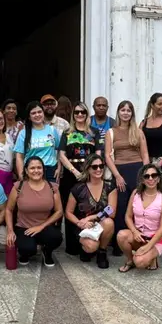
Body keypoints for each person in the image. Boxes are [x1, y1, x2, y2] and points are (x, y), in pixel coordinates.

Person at [58, 102, 101, 254]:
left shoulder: (94, 132)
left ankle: (89, 242)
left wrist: (93, 170)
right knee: (71, 209)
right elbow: (61, 154)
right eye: (77, 112)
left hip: (90, 173)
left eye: (83, 112)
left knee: (88, 208)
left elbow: (98, 154)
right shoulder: (67, 132)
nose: (80, 115)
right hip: (71, 174)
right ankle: (73, 245)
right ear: (73, 115)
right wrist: (74, 171)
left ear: (87, 114)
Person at [105, 100, 149, 247]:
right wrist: (117, 175)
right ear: (118, 112)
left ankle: (139, 239)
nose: (125, 113)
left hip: (137, 171)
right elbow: (107, 156)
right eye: (123, 110)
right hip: (120, 172)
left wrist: (146, 174)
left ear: (132, 114)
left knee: (138, 206)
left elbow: (145, 155)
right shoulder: (111, 132)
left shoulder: (138, 131)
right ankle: (118, 242)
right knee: (120, 206)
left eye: (128, 110)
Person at [5, 156, 64, 267]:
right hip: (24, 228)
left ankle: (47, 252)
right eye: (32, 168)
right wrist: (10, 231)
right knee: (27, 248)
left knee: (56, 237)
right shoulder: (19, 186)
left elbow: (59, 211)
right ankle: (25, 253)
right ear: (26, 171)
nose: (36, 171)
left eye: (39, 168)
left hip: (44, 227)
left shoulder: (53, 187)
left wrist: (41, 226)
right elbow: (9, 209)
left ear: (43, 169)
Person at [65, 155, 118, 268]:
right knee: (91, 246)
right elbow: (68, 212)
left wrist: (91, 218)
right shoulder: (78, 188)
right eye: (94, 167)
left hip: (99, 223)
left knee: (109, 222)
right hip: (83, 225)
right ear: (88, 169)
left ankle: (102, 252)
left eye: (101, 166)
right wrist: (80, 223)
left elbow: (111, 210)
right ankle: (88, 248)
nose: (98, 169)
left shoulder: (110, 187)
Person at [117, 164, 162, 272]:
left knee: (140, 262)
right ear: (142, 180)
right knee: (121, 235)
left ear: (159, 178)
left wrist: (148, 246)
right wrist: (134, 232)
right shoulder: (135, 194)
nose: (151, 178)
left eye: (154, 175)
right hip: (139, 236)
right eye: (147, 176)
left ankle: (151, 256)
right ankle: (130, 260)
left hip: (156, 239)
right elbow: (128, 216)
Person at [14, 101, 60, 182]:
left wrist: (59, 168)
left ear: (43, 113)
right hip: (32, 171)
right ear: (29, 117)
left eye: (39, 112)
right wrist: (21, 174)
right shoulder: (23, 133)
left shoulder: (52, 130)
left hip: (50, 170)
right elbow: (19, 156)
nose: (37, 115)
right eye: (33, 113)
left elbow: (60, 151)